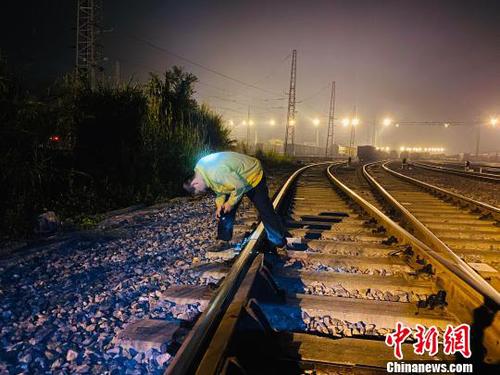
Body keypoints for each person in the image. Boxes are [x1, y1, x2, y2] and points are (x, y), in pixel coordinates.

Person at [183, 151, 286, 251]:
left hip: (252, 174)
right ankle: (223, 240)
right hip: (236, 178)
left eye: (199, 191)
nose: (203, 191)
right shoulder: (202, 172)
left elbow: (239, 186)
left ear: (195, 183)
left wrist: (230, 203)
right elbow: (220, 188)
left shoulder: (216, 173)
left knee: (265, 209)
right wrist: (220, 205)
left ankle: (278, 241)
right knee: (224, 209)